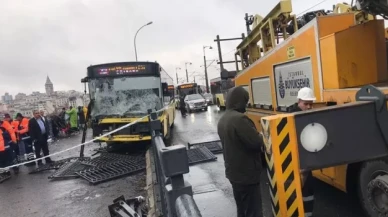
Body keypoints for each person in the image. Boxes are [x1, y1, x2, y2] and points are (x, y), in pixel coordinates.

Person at [217, 86, 264, 217]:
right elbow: (255, 142)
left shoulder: (223, 119)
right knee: (253, 211)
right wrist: (261, 135)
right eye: (245, 100)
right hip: (247, 174)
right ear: (240, 101)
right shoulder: (240, 119)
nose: (247, 104)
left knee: (242, 209)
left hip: (234, 174)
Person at [289, 87, 316, 217]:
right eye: (306, 104)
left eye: (311, 104)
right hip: (297, 164)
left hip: (306, 163)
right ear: (299, 101)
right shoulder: (291, 118)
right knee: (298, 194)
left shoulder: (306, 116)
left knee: (308, 193)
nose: (309, 107)